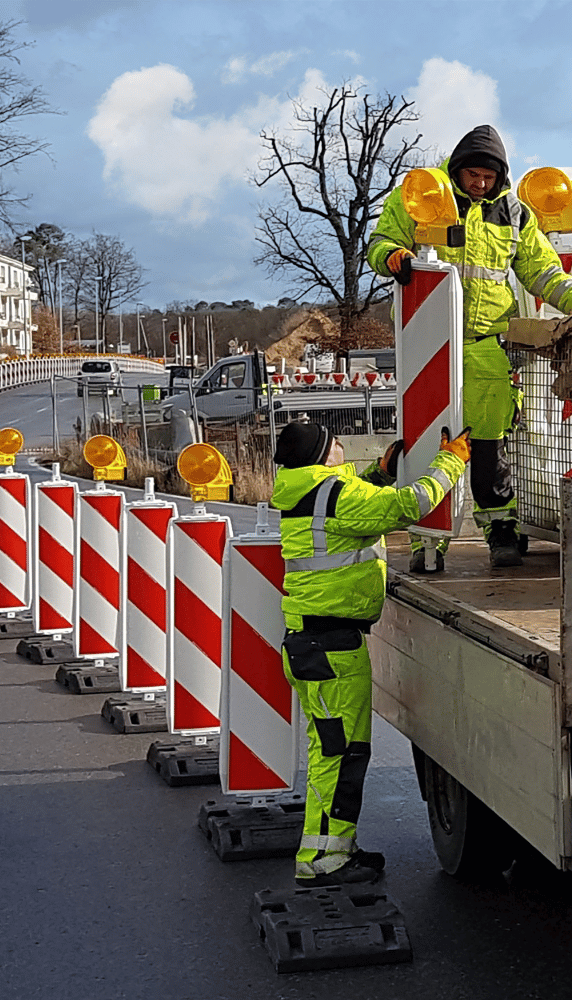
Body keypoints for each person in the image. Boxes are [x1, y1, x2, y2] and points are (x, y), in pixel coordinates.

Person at [271, 421, 471, 886]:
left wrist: (379, 475)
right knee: (339, 755)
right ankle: (323, 860)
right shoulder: (336, 495)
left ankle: (330, 851)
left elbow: (358, 508)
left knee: (333, 752)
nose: (342, 447)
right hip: (331, 648)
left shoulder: (309, 491)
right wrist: (452, 460)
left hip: (315, 644)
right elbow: (409, 505)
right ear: (323, 455)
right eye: (335, 442)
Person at [367, 124, 572, 572]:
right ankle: (429, 538)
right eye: (473, 175)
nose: (480, 184)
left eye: (488, 177)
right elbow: (381, 242)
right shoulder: (424, 194)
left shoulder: (514, 213)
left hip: (483, 345)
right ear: (457, 170)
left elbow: (543, 272)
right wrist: (393, 258)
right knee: (427, 442)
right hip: (426, 343)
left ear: (501, 177)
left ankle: (500, 529)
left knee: (488, 444)